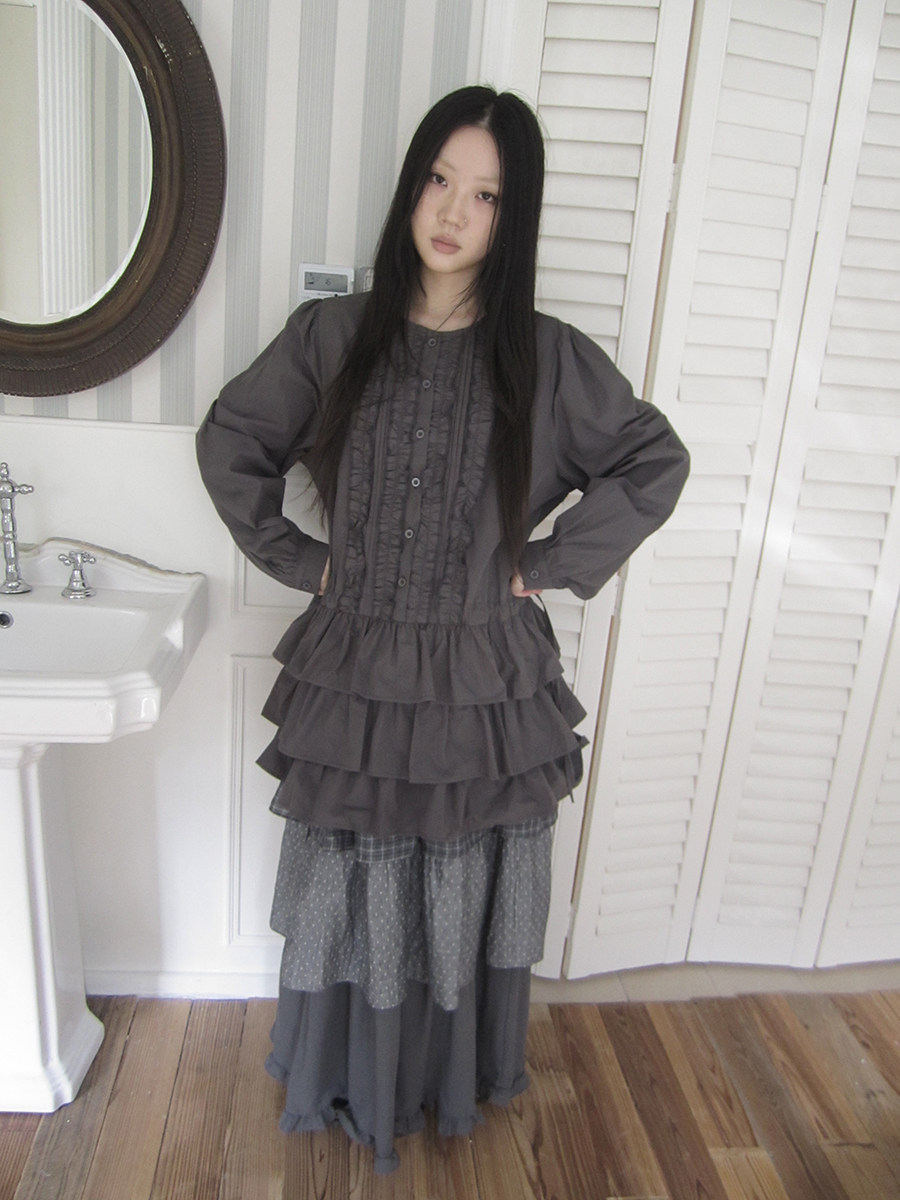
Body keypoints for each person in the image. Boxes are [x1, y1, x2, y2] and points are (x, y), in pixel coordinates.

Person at [196, 85, 689, 1173]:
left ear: (514, 217)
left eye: (487, 195)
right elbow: (233, 440)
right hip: (359, 677)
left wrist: (547, 565)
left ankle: (442, 1082)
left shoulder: (547, 360)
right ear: (411, 186)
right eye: (438, 179)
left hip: (484, 681)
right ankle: (348, 1077)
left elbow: (654, 461)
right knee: (356, 890)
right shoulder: (333, 337)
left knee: (459, 895)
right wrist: (306, 562)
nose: (454, 210)